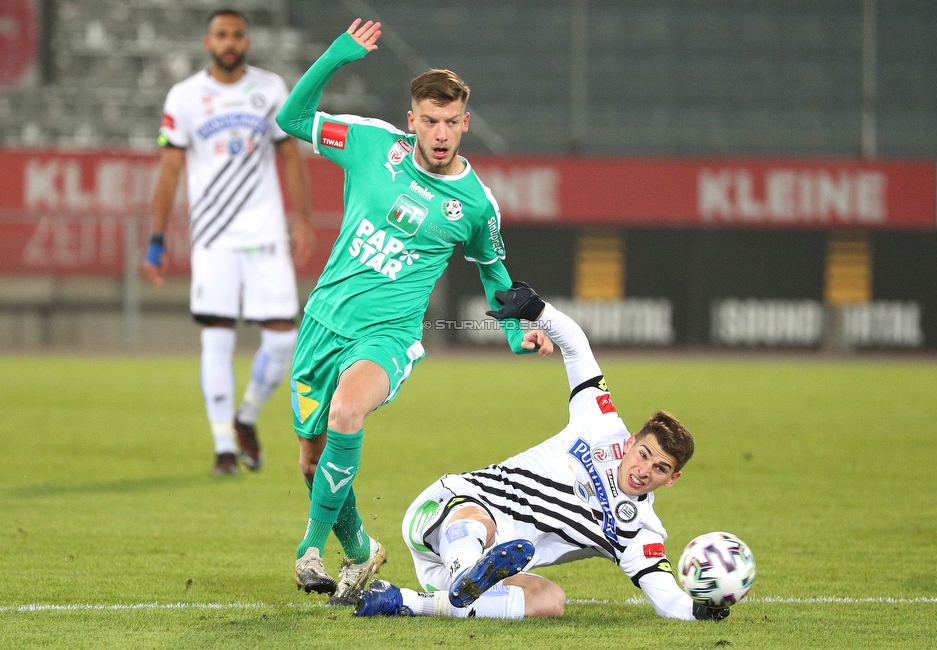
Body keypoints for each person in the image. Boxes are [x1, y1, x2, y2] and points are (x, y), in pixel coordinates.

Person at [274, 20, 548, 605]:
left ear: (465, 123)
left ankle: (309, 550)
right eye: (430, 120)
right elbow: (292, 119)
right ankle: (361, 552)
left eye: (451, 122)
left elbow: (493, 270)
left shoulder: (475, 203)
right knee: (311, 459)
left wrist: (512, 332)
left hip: (388, 336)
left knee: (348, 411)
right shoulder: (373, 144)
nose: (441, 132)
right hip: (323, 321)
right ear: (412, 120)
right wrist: (335, 57)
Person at [354, 283, 731, 622]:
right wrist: (538, 310)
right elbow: (577, 347)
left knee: (550, 600)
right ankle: (468, 571)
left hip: (458, 567)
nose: (645, 469)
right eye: (645, 453)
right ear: (631, 441)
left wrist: (701, 611)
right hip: (448, 511)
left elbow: (667, 600)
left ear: (671, 480)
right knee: (483, 521)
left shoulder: (638, 531)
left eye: (661, 468)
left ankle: (406, 600)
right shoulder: (600, 423)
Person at [142, 8, 314, 476]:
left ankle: (246, 417)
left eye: (237, 33)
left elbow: (291, 159)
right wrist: (156, 240)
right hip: (213, 237)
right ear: (208, 42)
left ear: (247, 41)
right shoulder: (185, 96)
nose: (230, 41)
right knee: (216, 337)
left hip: (264, 233)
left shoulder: (271, 89)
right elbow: (171, 170)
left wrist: (302, 220)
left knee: (283, 339)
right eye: (221, 34)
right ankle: (222, 447)